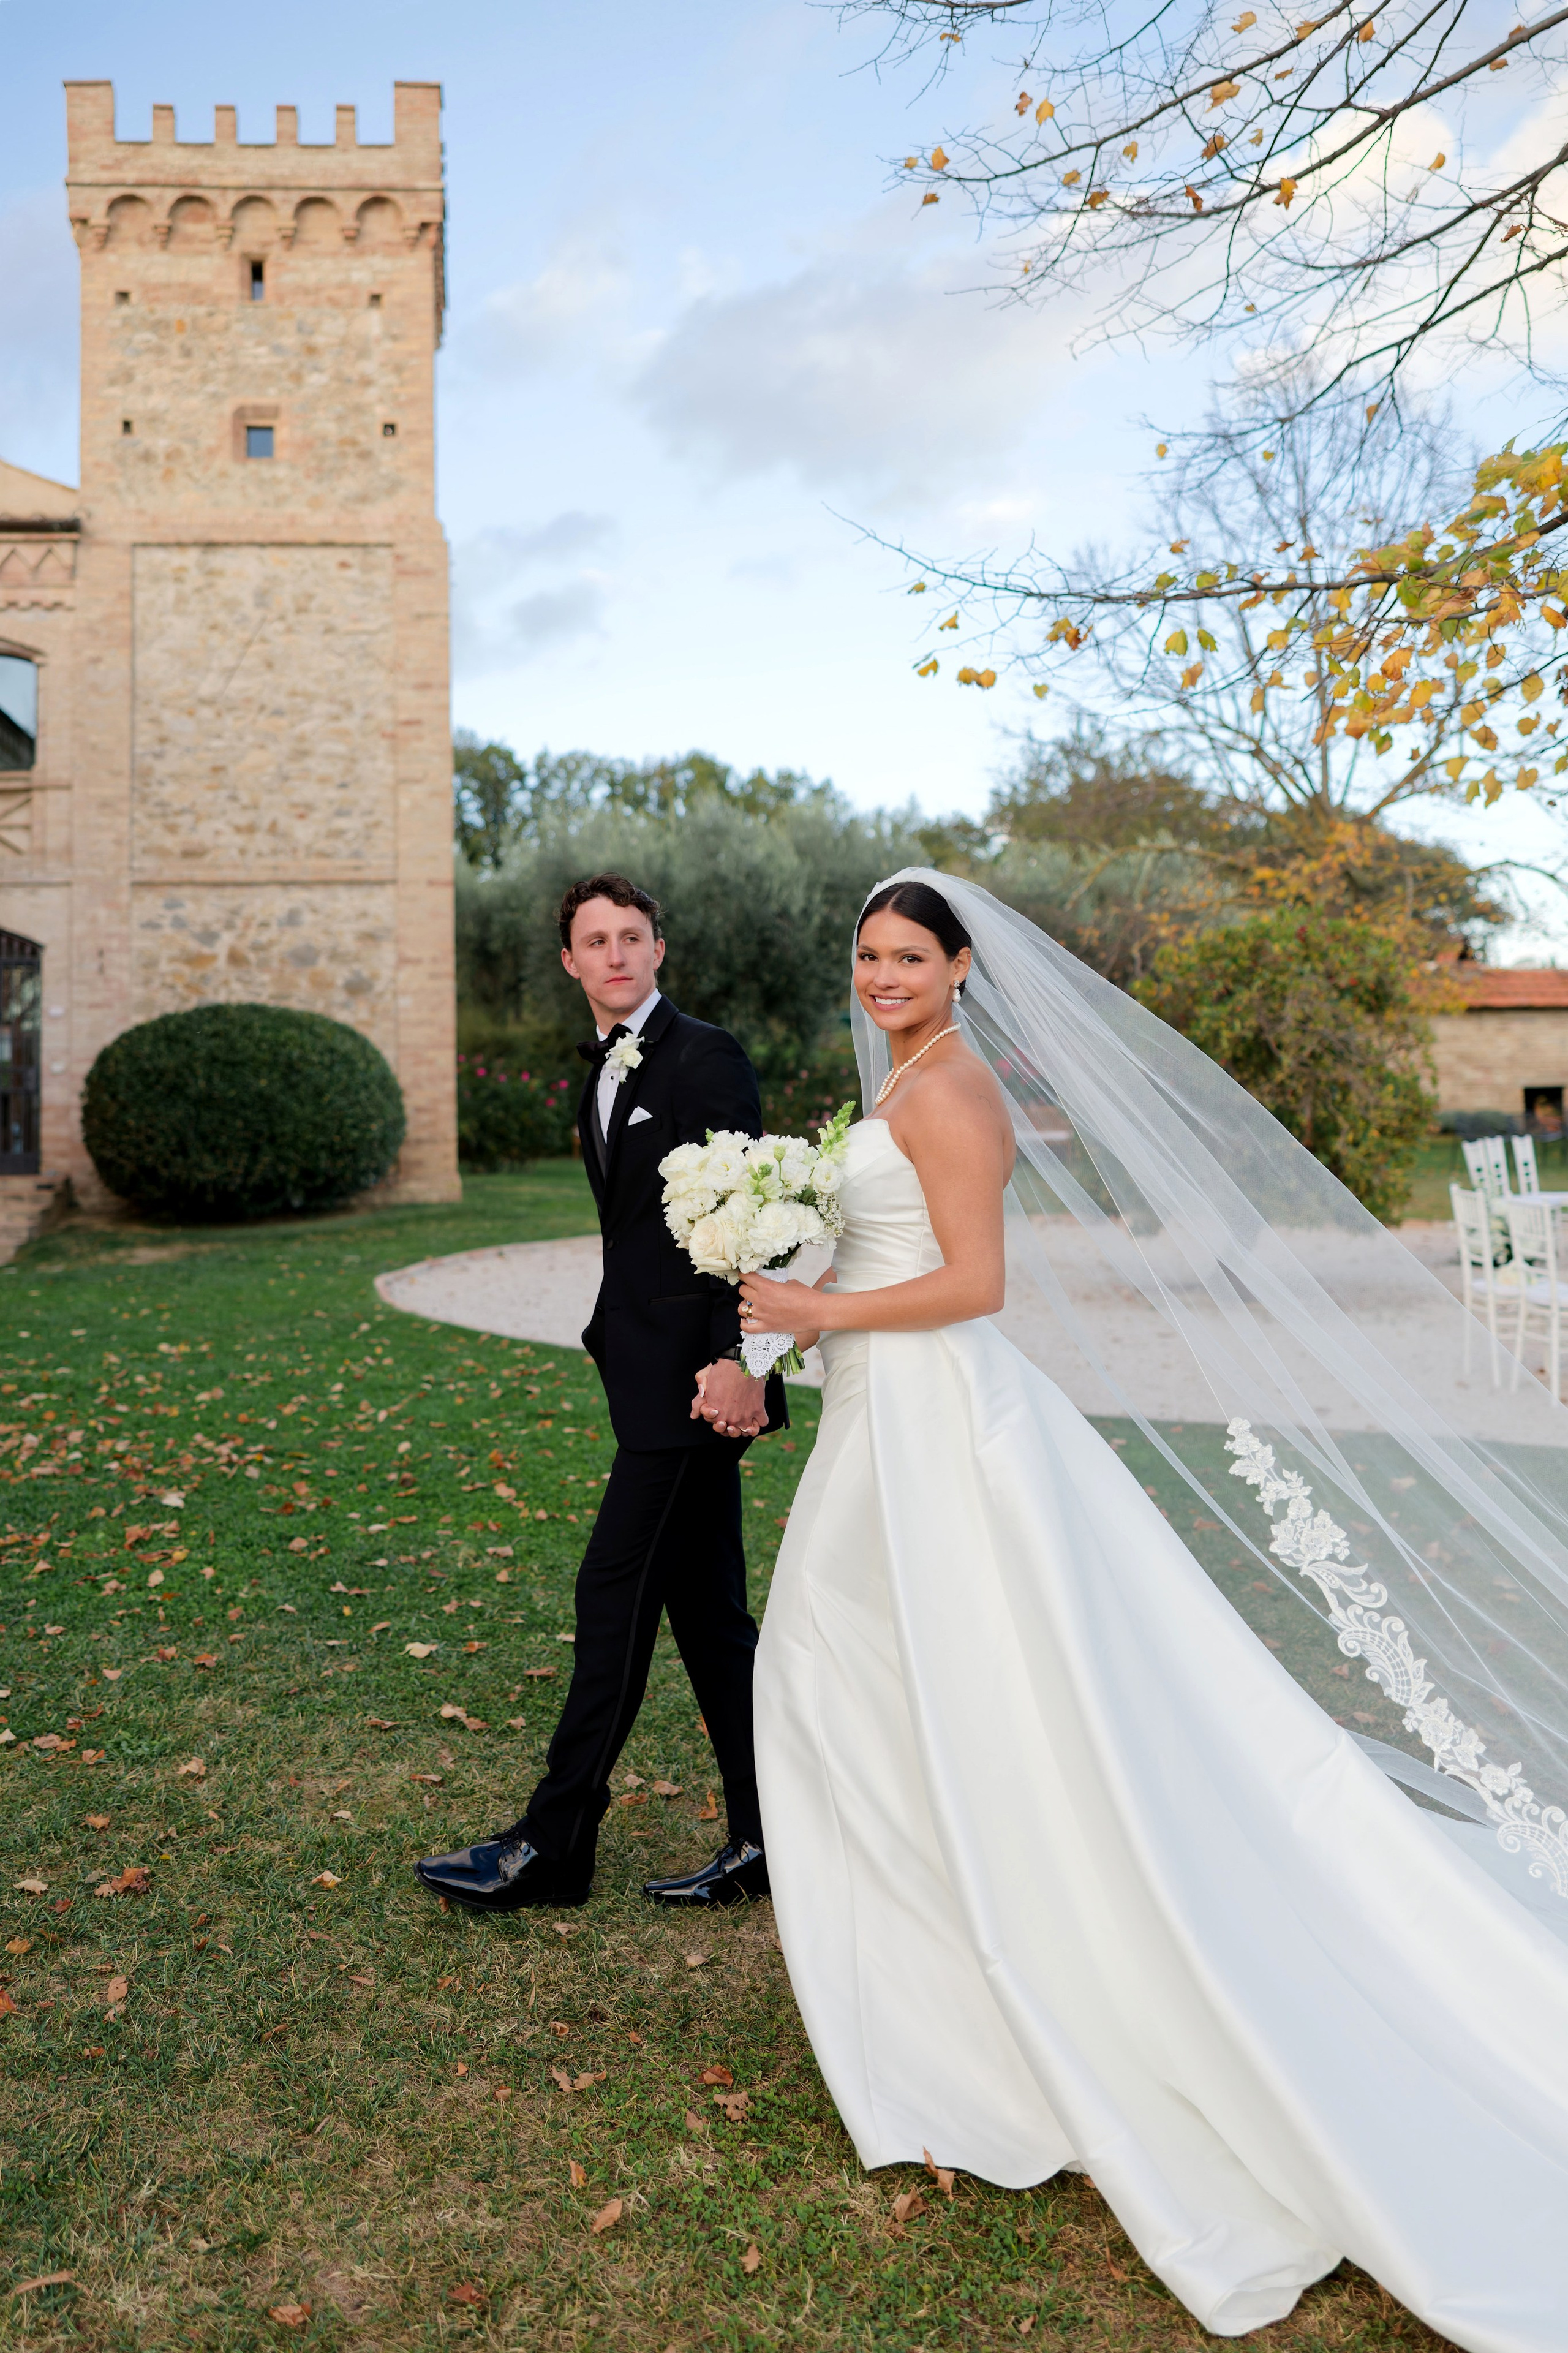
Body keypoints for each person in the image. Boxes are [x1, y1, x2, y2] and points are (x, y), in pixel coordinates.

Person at [741, 873, 1568, 2351]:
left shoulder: (953, 1093)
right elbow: (881, 1251)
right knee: (846, 1686)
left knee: (897, 1688)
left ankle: (995, 2009)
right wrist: (786, 1317)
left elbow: (975, 1285)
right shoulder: (905, 1077)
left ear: (960, 966)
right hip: (886, 1422)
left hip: (940, 1432)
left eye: (906, 956)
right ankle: (944, 2004)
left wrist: (813, 1318)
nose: (879, 975)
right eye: (865, 954)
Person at [415, 872, 785, 1914]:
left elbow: (754, 1213)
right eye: (595, 940)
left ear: (659, 948)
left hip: (700, 1389)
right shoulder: (603, 1073)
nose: (616, 953)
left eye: (633, 935)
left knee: (610, 1593)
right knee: (710, 1623)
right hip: (649, 1374)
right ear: (571, 961)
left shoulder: (706, 1057)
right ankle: (771, 1838)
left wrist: (741, 1360)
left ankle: (553, 1842)